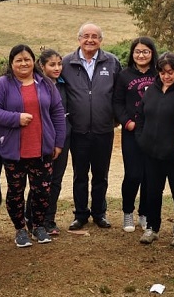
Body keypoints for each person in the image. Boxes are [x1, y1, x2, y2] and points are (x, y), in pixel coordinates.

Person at [0, 44, 66, 247]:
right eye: (18, 60)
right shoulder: (1, 84)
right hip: (14, 151)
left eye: (27, 59)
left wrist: (58, 142)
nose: (23, 63)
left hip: (42, 149)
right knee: (16, 192)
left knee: (42, 191)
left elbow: (58, 113)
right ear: (11, 63)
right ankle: (20, 229)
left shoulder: (46, 84)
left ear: (34, 62)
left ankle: (38, 226)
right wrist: (16, 118)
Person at [62, 23, 121, 230]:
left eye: (95, 36)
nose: (90, 40)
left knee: (101, 175)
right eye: (86, 36)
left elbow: (118, 94)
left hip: (103, 130)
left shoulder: (112, 62)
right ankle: (80, 215)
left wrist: (114, 119)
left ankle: (99, 213)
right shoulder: (67, 62)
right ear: (79, 39)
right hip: (77, 130)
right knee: (79, 175)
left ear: (100, 40)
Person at [135, 53, 174, 247]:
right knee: (153, 191)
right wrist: (142, 139)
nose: (166, 76)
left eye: (170, 72)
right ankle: (152, 228)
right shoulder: (152, 90)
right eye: (162, 72)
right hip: (151, 153)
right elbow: (141, 116)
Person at [113, 37, 158, 232]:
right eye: (138, 51)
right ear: (132, 54)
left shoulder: (159, 73)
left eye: (146, 51)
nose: (141, 55)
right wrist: (127, 122)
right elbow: (117, 103)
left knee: (150, 175)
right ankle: (128, 212)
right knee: (133, 174)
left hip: (154, 133)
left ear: (152, 53)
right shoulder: (124, 75)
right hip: (132, 131)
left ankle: (144, 213)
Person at [26, 48, 71, 236]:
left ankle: (49, 219)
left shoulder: (64, 85)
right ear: (41, 66)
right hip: (42, 140)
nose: (57, 68)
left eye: (59, 64)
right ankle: (31, 217)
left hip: (62, 139)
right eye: (52, 64)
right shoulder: (36, 85)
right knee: (39, 181)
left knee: (56, 181)